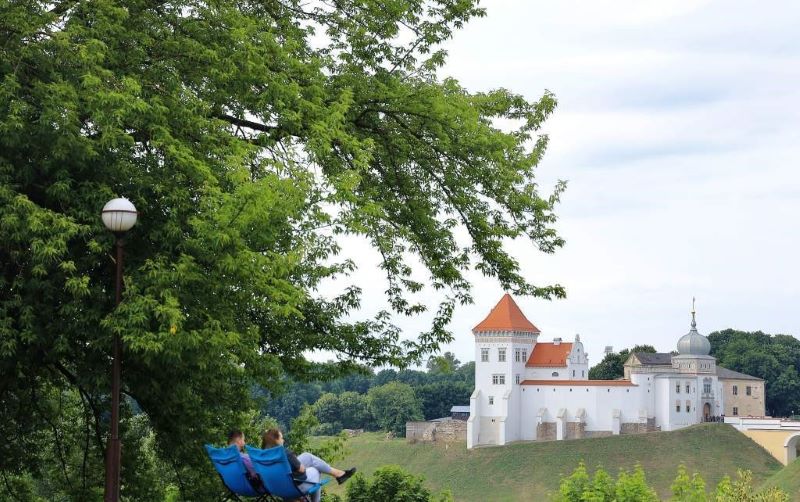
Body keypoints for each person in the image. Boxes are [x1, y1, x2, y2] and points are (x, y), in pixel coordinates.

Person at [261, 428, 356, 502]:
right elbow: (301, 470)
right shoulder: (284, 453)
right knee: (316, 469)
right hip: (292, 487)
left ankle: (339, 474)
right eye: (281, 438)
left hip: (276, 487)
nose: (283, 440)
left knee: (307, 456)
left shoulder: (261, 456)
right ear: (276, 440)